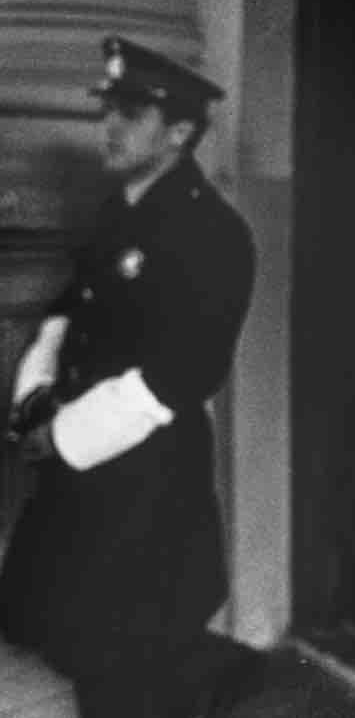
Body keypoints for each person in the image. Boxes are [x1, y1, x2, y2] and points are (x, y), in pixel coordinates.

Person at [1, 36, 259, 717]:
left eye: (133, 112)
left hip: (148, 491)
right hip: (80, 483)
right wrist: (32, 401)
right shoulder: (117, 213)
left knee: (132, 678)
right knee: (80, 655)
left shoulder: (214, 234)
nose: (109, 125)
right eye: (108, 107)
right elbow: (65, 314)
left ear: (180, 131)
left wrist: (59, 436)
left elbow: (179, 375)